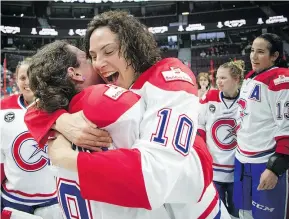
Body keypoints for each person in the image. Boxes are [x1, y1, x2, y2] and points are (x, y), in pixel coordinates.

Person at [25, 11, 230, 218]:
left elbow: (155, 176)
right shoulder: (99, 94)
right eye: (93, 56)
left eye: (109, 51)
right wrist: (61, 121)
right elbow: (36, 107)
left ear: (132, 45)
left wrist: (65, 150)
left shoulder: (166, 78)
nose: (98, 63)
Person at [234, 33, 289, 219]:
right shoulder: (251, 78)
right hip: (242, 160)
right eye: (251, 51)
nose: (253, 57)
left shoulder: (281, 80)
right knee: (244, 213)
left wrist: (275, 168)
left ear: (274, 56)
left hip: (264, 162)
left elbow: (286, 127)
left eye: (260, 52)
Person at [0, 58, 61, 218]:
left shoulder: (58, 106)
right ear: (16, 79)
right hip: (13, 199)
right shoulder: (3, 108)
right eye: (22, 78)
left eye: (32, 76)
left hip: (52, 200)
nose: (28, 82)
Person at [198, 60, 244, 219]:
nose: (218, 81)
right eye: (217, 77)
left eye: (223, 78)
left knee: (236, 211)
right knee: (216, 212)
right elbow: (199, 125)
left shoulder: (246, 100)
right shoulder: (209, 96)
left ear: (236, 79)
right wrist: (202, 152)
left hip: (237, 169)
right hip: (214, 168)